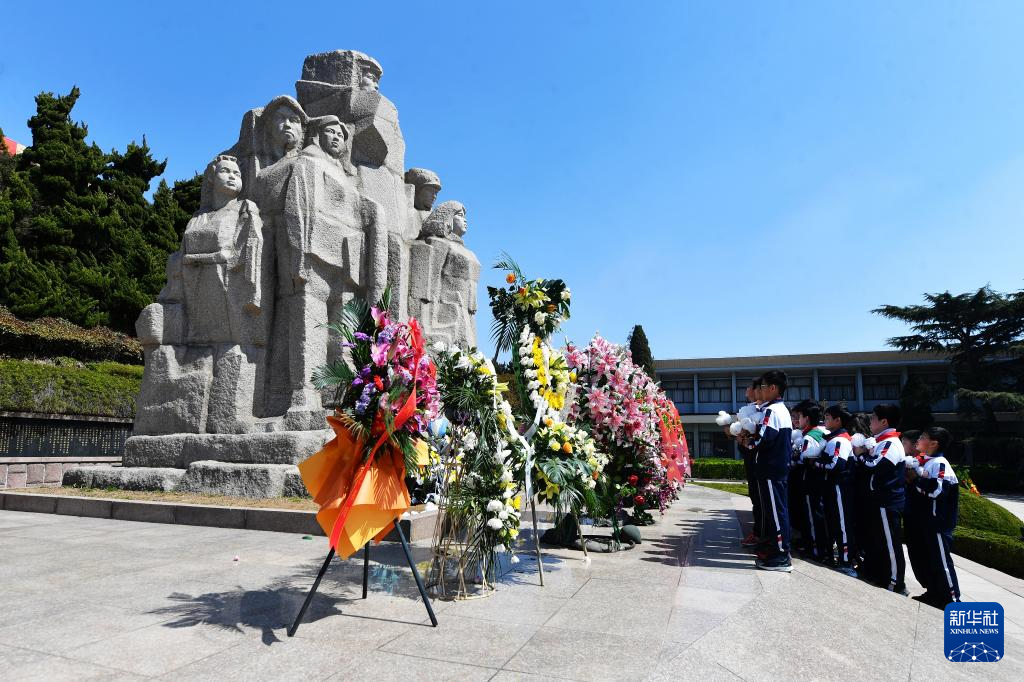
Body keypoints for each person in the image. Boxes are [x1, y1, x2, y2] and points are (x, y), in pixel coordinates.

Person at [906, 427, 961, 608]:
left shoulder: (940, 463)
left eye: (923, 437)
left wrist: (915, 479)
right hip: (925, 522)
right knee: (926, 559)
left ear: (934, 443)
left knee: (941, 561)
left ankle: (953, 599)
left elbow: (938, 491)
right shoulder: (926, 461)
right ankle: (934, 593)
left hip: (937, 523)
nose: (918, 440)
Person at [860, 403, 908, 594]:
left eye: (873, 418)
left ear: (884, 422)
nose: (870, 422)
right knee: (878, 541)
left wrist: (861, 455)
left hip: (888, 501)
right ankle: (879, 575)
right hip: (878, 500)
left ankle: (896, 583)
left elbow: (876, 466)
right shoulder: (881, 441)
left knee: (890, 544)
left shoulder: (891, 443)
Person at [751, 370, 794, 572]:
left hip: (771, 468)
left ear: (773, 388)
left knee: (776, 512)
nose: (760, 391)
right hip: (776, 468)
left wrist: (747, 441)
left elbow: (763, 439)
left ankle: (781, 555)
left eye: (762, 387)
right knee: (777, 510)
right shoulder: (780, 410)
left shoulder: (772, 411)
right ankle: (777, 550)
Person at [819, 405, 858, 576]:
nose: (825, 421)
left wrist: (815, 463)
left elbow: (836, 465)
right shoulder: (833, 439)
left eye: (828, 418)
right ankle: (837, 556)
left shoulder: (840, 441)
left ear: (838, 420)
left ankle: (846, 561)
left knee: (842, 524)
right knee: (835, 522)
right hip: (833, 488)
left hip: (840, 488)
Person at [792, 400, 828, 562]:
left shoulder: (809, 437)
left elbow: (803, 459)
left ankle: (815, 550)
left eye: (799, 416)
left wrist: (792, 460)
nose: (797, 420)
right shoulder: (818, 432)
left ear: (806, 418)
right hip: (816, 481)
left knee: (812, 517)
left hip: (810, 481)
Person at [737, 379, 763, 548]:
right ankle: (758, 532)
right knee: (756, 499)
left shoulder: (764, 412)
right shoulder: (750, 410)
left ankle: (762, 535)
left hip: (760, 464)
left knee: (761, 501)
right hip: (752, 461)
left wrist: (748, 442)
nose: (746, 390)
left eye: (749, 387)